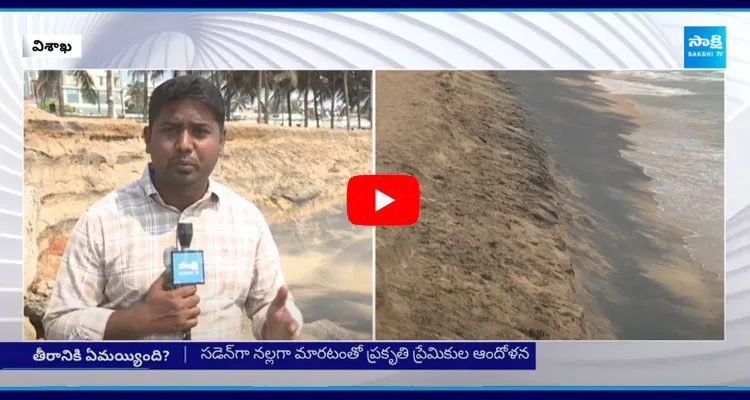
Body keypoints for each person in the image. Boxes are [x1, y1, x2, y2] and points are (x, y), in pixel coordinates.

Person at [42, 75, 303, 341]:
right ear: (147, 138)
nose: (184, 145)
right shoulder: (101, 221)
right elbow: (58, 324)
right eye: (170, 130)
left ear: (222, 140)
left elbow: (269, 307)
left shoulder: (248, 221)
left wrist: (280, 327)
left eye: (201, 132)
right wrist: (137, 320)